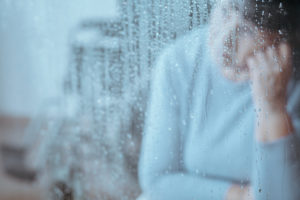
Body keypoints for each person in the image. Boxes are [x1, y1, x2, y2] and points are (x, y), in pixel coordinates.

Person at [138, 0, 300, 199]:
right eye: (225, 12)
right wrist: (239, 195)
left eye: (247, 31)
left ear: (279, 39)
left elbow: (279, 195)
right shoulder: (179, 61)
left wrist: (273, 108)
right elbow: (156, 181)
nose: (225, 38)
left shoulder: (292, 88)